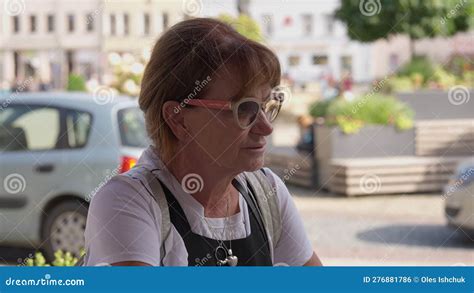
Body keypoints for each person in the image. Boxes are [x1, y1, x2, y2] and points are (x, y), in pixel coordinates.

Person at [83, 18, 322, 267]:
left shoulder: (266, 193)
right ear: (179, 119)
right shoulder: (129, 202)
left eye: (265, 106)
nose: (266, 127)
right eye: (245, 109)